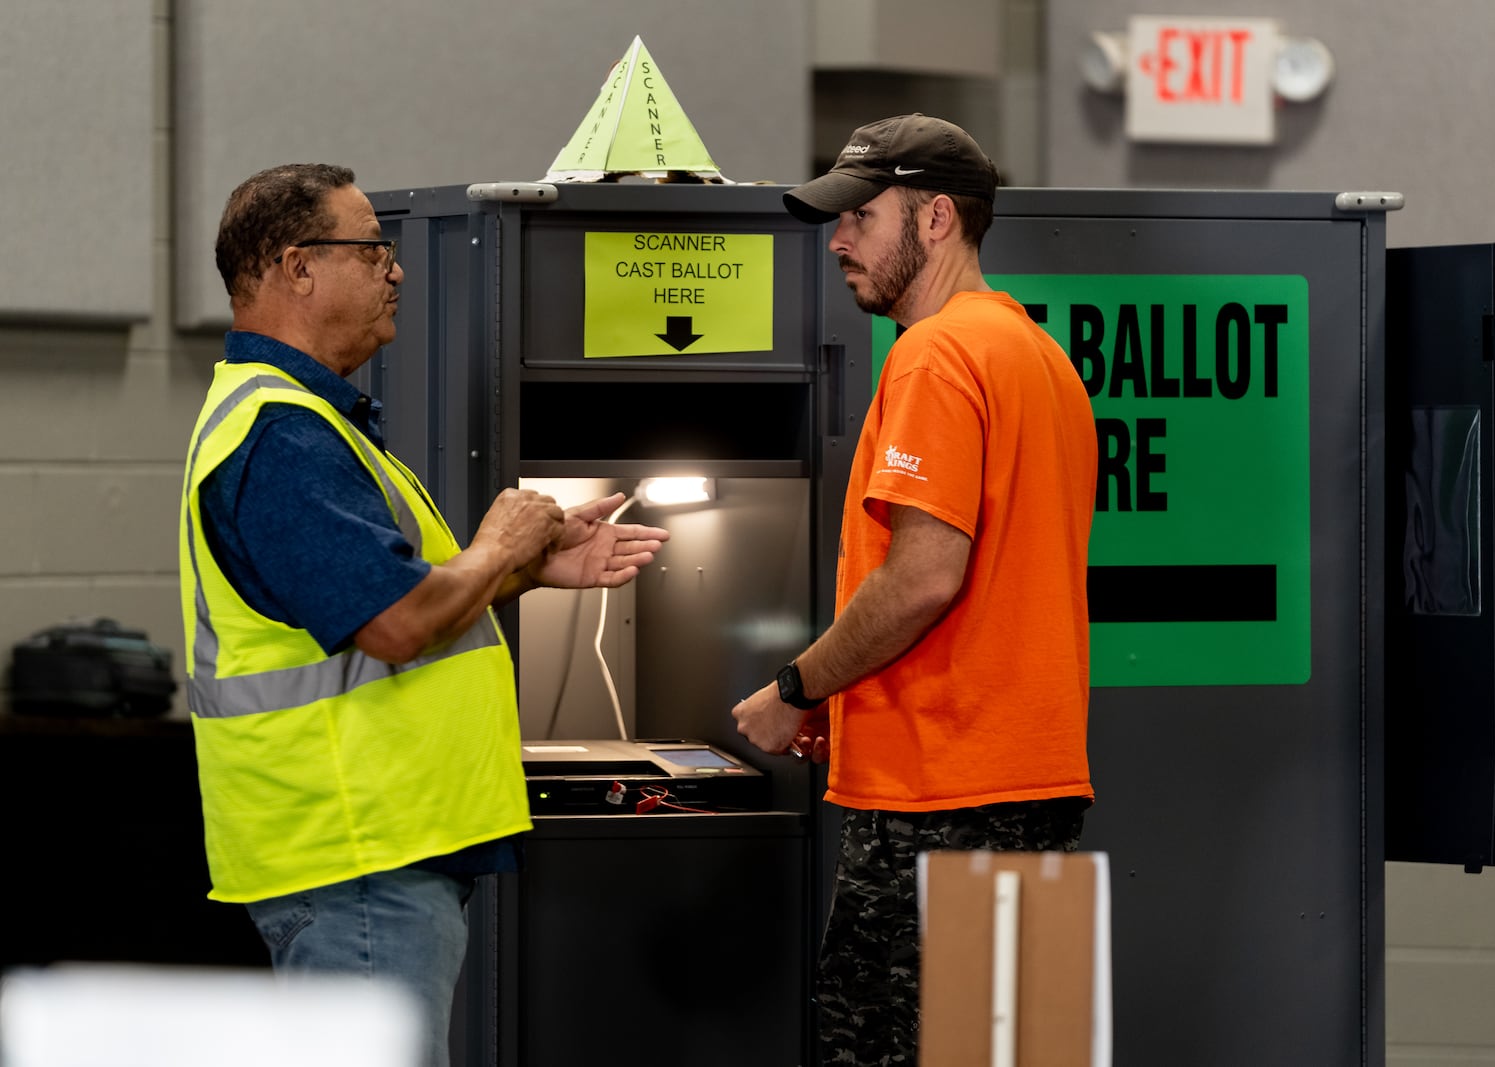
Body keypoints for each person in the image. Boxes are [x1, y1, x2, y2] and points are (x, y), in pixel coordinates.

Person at [178, 163, 668, 1066]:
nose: (395, 270)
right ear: (297, 267)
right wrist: (497, 542)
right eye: (374, 248)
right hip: (355, 851)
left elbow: (388, 612)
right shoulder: (280, 435)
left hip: (372, 849)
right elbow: (398, 625)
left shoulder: (309, 421)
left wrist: (527, 570)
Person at [731, 115, 1097, 1064]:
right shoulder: (1039, 357)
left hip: (944, 795)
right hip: (1028, 786)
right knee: (1011, 1050)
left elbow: (926, 578)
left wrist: (798, 688)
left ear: (937, 219)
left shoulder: (935, 355)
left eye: (861, 215)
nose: (838, 239)